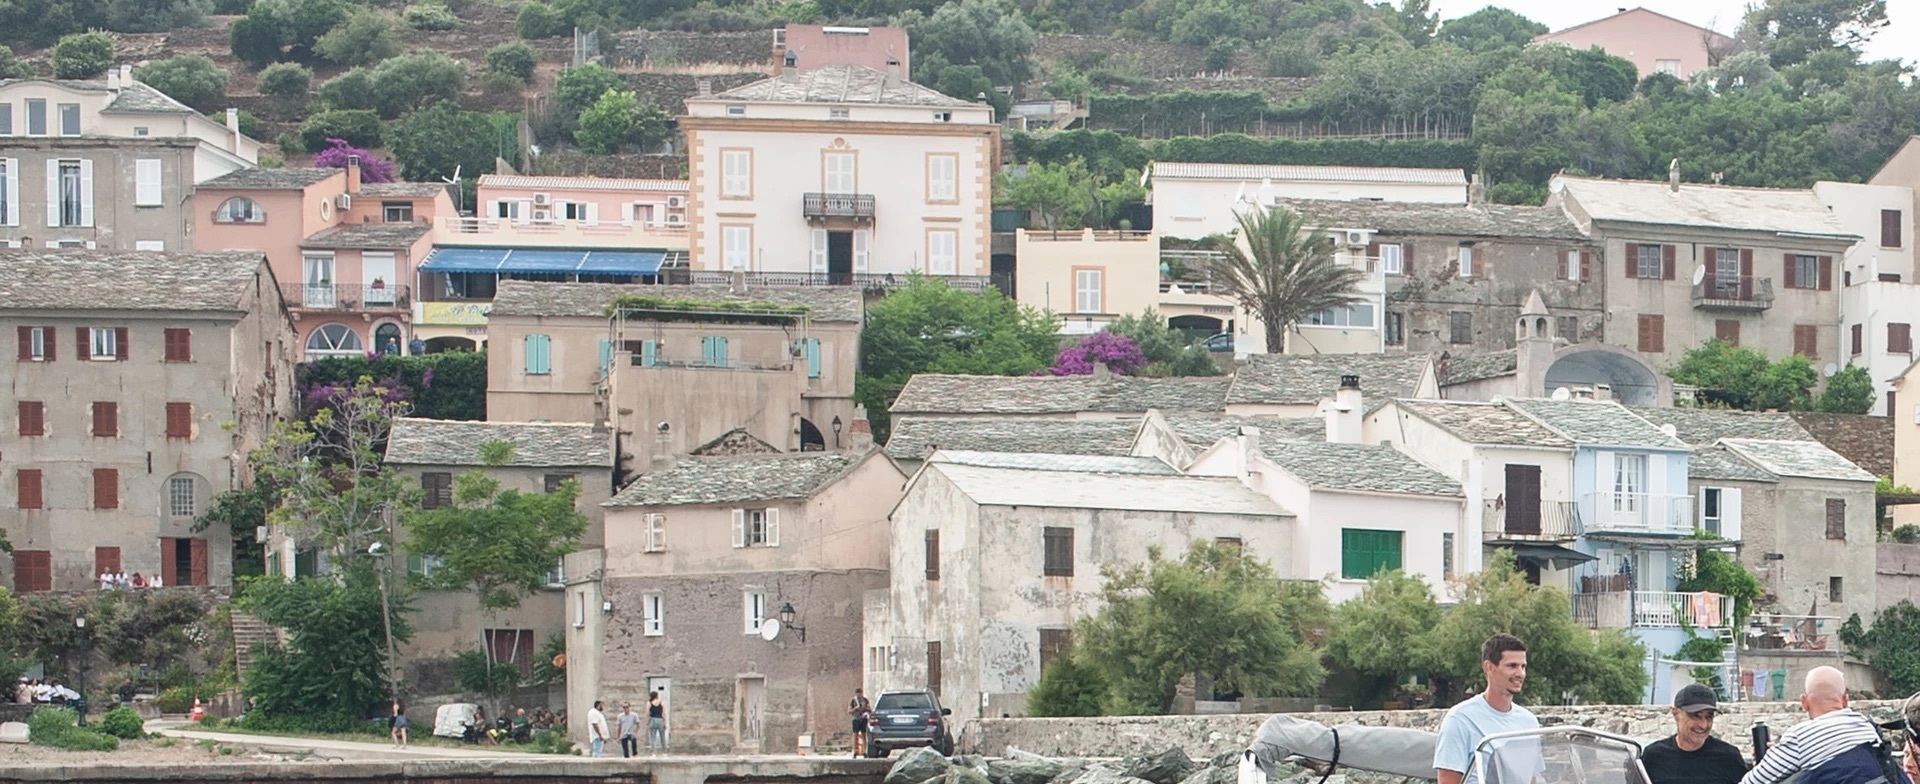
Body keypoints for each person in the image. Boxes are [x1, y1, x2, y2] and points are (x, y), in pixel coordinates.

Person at [1740, 666, 1909, 784]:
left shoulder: (1800, 737)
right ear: (1845, 701)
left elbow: (1752, 782)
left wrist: (1771, 757)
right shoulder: (1866, 726)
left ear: (1804, 702)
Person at [1435, 633, 1541, 784]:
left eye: (1523, 666)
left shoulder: (1529, 722)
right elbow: (1447, 781)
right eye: (1512, 666)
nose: (1520, 674)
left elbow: (1531, 778)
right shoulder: (1459, 719)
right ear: (1489, 667)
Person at [1640, 684, 1748, 784]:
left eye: (1709, 717)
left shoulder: (1729, 757)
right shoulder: (1654, 756)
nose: (1703, 725)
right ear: (1676, 714)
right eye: (1696, 716)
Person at [848, 688, 873, 758]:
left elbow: (870, 709)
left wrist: (865, 708)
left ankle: (864, 751)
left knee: (864, 735)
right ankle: (855, 751)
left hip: (863, 718)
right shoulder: (853, 701)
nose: (859, 695)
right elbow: (849, 711)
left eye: (860, 693)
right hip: (856, 719)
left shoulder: (865, 700)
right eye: (858, 693)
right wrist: (855, 708)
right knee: (855, 735)